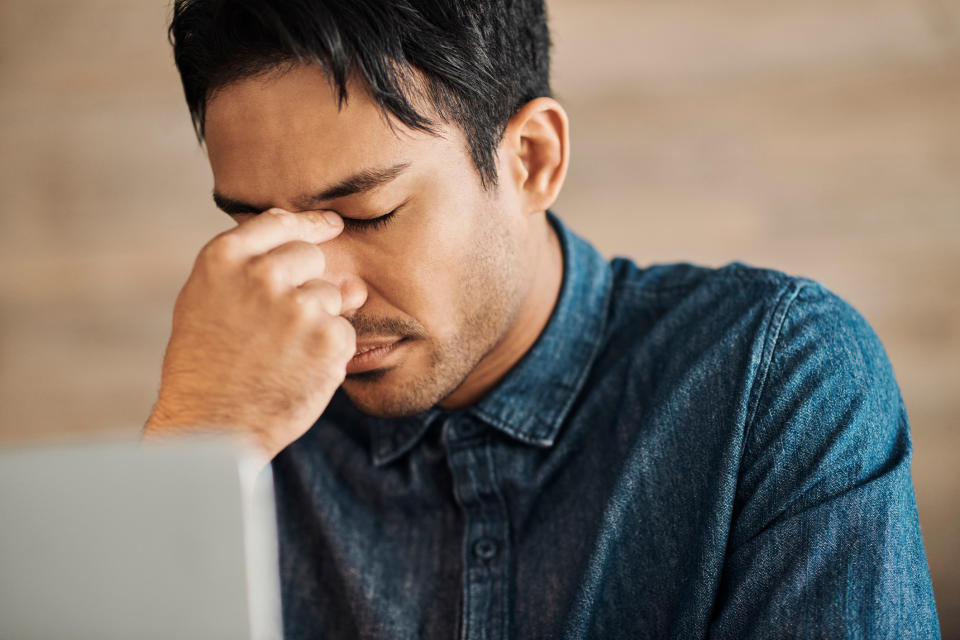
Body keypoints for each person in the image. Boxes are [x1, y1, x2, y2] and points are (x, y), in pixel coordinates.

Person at [144, 1, 940, 637]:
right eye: (259, 227)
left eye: (369, 214)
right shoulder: (242, 413)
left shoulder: (772, 378)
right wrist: (198, 444)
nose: (324, 290)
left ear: (531, 159)